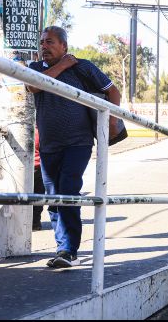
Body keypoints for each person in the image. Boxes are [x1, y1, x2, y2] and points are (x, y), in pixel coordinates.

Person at [27, 26, 121, 268]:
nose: (44, 47)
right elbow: (35, 86)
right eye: (42, 43)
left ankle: (69, 249)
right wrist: (64, 65)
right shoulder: (35, 69)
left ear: (64, 46)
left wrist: (111, 120)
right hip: (48, 146)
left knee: (68, 189)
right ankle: (62, 247)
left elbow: (112, 91)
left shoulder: (83, 67)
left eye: (50, 42)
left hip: (78, 142)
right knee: (53, 197)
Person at [32, 127, 44, 231]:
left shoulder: (37, 131)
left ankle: (34, 222)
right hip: (39, 167)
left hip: (35, 167)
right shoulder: (40, 131)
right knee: (38, 197)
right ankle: (35, 223)